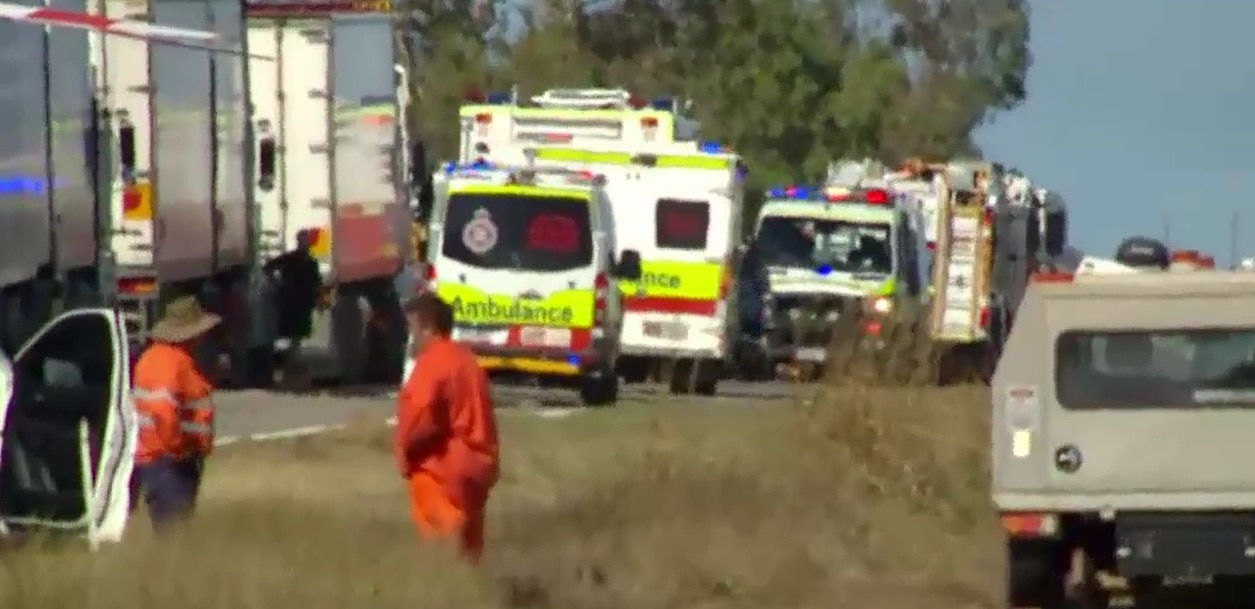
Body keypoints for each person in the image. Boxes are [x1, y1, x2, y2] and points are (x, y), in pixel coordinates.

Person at [395, 293, 499, 561]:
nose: (412, 338)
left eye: (413, 329)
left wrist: (405, 453)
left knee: (440, 550)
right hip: (478, 466)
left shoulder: (432, 362)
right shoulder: (468, 361)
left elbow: (418, 416)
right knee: (470, 552)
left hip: (443, 469)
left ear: (427, 327)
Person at [131, 295, 221, 531]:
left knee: (173, 529)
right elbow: (163, 409)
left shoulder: (158, 357)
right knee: (174, 531)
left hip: (165, 460)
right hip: (169, 463)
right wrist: (176, 449)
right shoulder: (170, 362)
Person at [263, 229, 323, 387]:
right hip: (294, 303)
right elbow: (268, 267)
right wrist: (277, 285)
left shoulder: (306, 260)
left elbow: (316, 284)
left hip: (298, 303)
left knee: (295, 338)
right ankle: (290, 370)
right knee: (294, 337)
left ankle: (289, 370)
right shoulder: (299, 259)